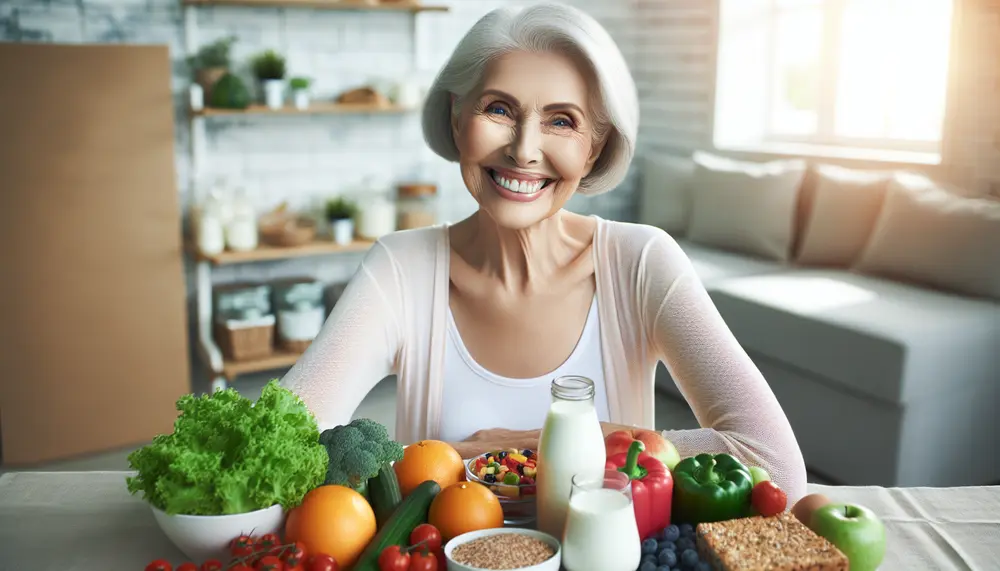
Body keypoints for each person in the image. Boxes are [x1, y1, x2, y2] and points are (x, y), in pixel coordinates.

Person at [281, 2, 807, 502]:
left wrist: (530, 444)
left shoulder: (641, 263)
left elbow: (774, 465)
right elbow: (281, 444)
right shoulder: (401, 270)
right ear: (457, 114)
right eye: (499, 109)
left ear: (595, 147)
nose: (525, 149)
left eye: (562, 120)